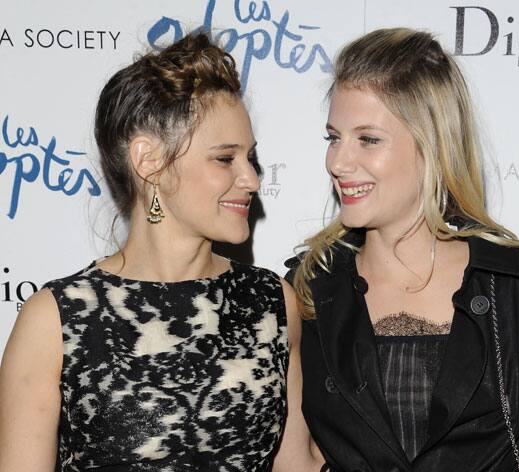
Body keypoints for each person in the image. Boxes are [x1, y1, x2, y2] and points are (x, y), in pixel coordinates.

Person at [0, 33, 322, 472]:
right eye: (225, 159)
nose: (251, 178)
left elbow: (295, 466)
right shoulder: (55, 321)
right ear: (148, 160)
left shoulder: (271, 304)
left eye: (251, 158)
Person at [285, 28, 519, 471]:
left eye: (368, 138)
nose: (337, 162)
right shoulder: (309, 289)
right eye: (333, 137)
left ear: (432, 145)